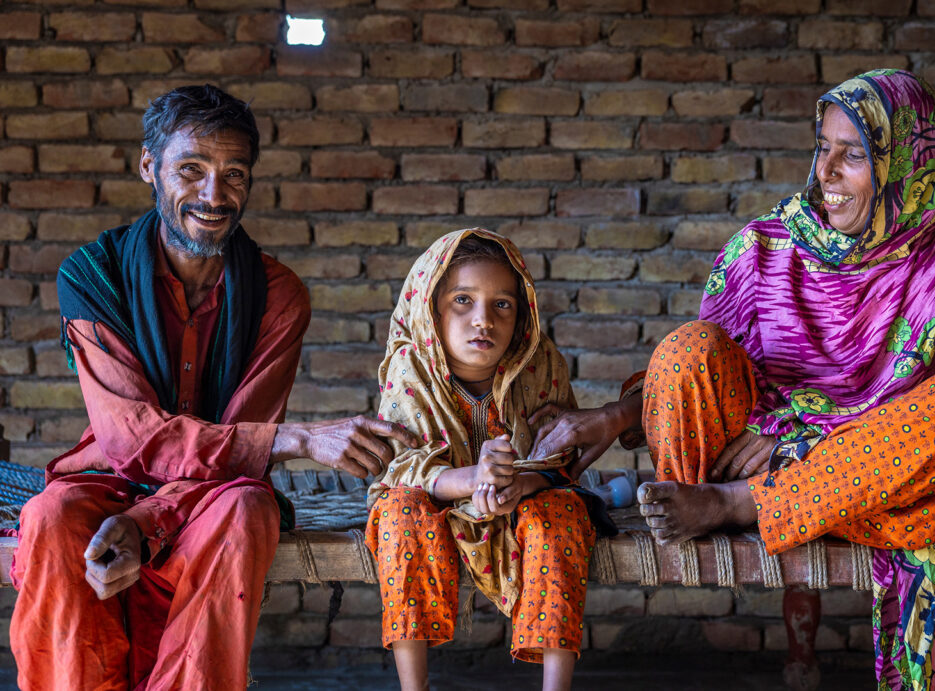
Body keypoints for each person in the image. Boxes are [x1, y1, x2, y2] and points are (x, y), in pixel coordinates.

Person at [531, 70, 935, 688]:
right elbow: (700, 376)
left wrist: (800, 438)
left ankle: (736, 507)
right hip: (736, 462)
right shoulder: (764, 247)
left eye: (855, 154)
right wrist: (612, 416)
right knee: (689, 347)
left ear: (909, 167)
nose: (826, 172)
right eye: (823, 147)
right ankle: (735, 498)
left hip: (867, 492)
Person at [10, 84, 420, 690]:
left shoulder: (278, 296)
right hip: (109, 477)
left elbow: (240, 464)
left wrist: (147, 524)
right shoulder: (92, 275)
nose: (213, 195)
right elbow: (129, 441)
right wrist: (298, 438)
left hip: (214, 497)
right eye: (191, 170)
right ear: (149, 167)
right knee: (51, 515)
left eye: (233, 174)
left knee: (248, 508)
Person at [365, 229, 613, 691]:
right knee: (400, 514)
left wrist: (525, 483)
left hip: (521, 506)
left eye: (502, 304)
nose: (484, 320)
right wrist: (470, 479)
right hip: (434, 500)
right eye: (463, 300)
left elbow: (560, 459)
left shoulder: (540, 364)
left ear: (521, 316)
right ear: (431, 311)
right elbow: (398, 468)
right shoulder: (411, 369)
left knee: (560, 515)